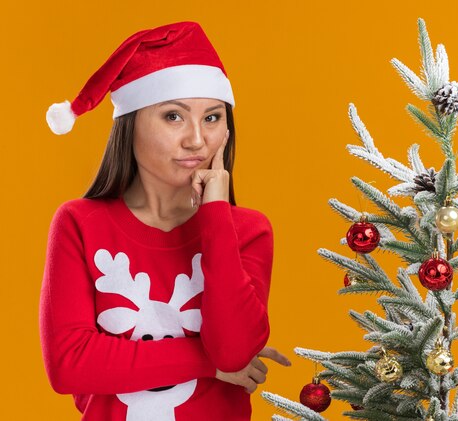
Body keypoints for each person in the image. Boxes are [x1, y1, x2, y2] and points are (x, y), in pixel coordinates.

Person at [40, 21, 290, 420]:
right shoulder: (79, 223)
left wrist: (215, 214)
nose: (196, 139)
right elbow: (70, 364)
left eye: (212, 118)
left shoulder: (247, 230)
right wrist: (209, 365)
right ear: (130, 123)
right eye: (173, 117)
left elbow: (235, 350)